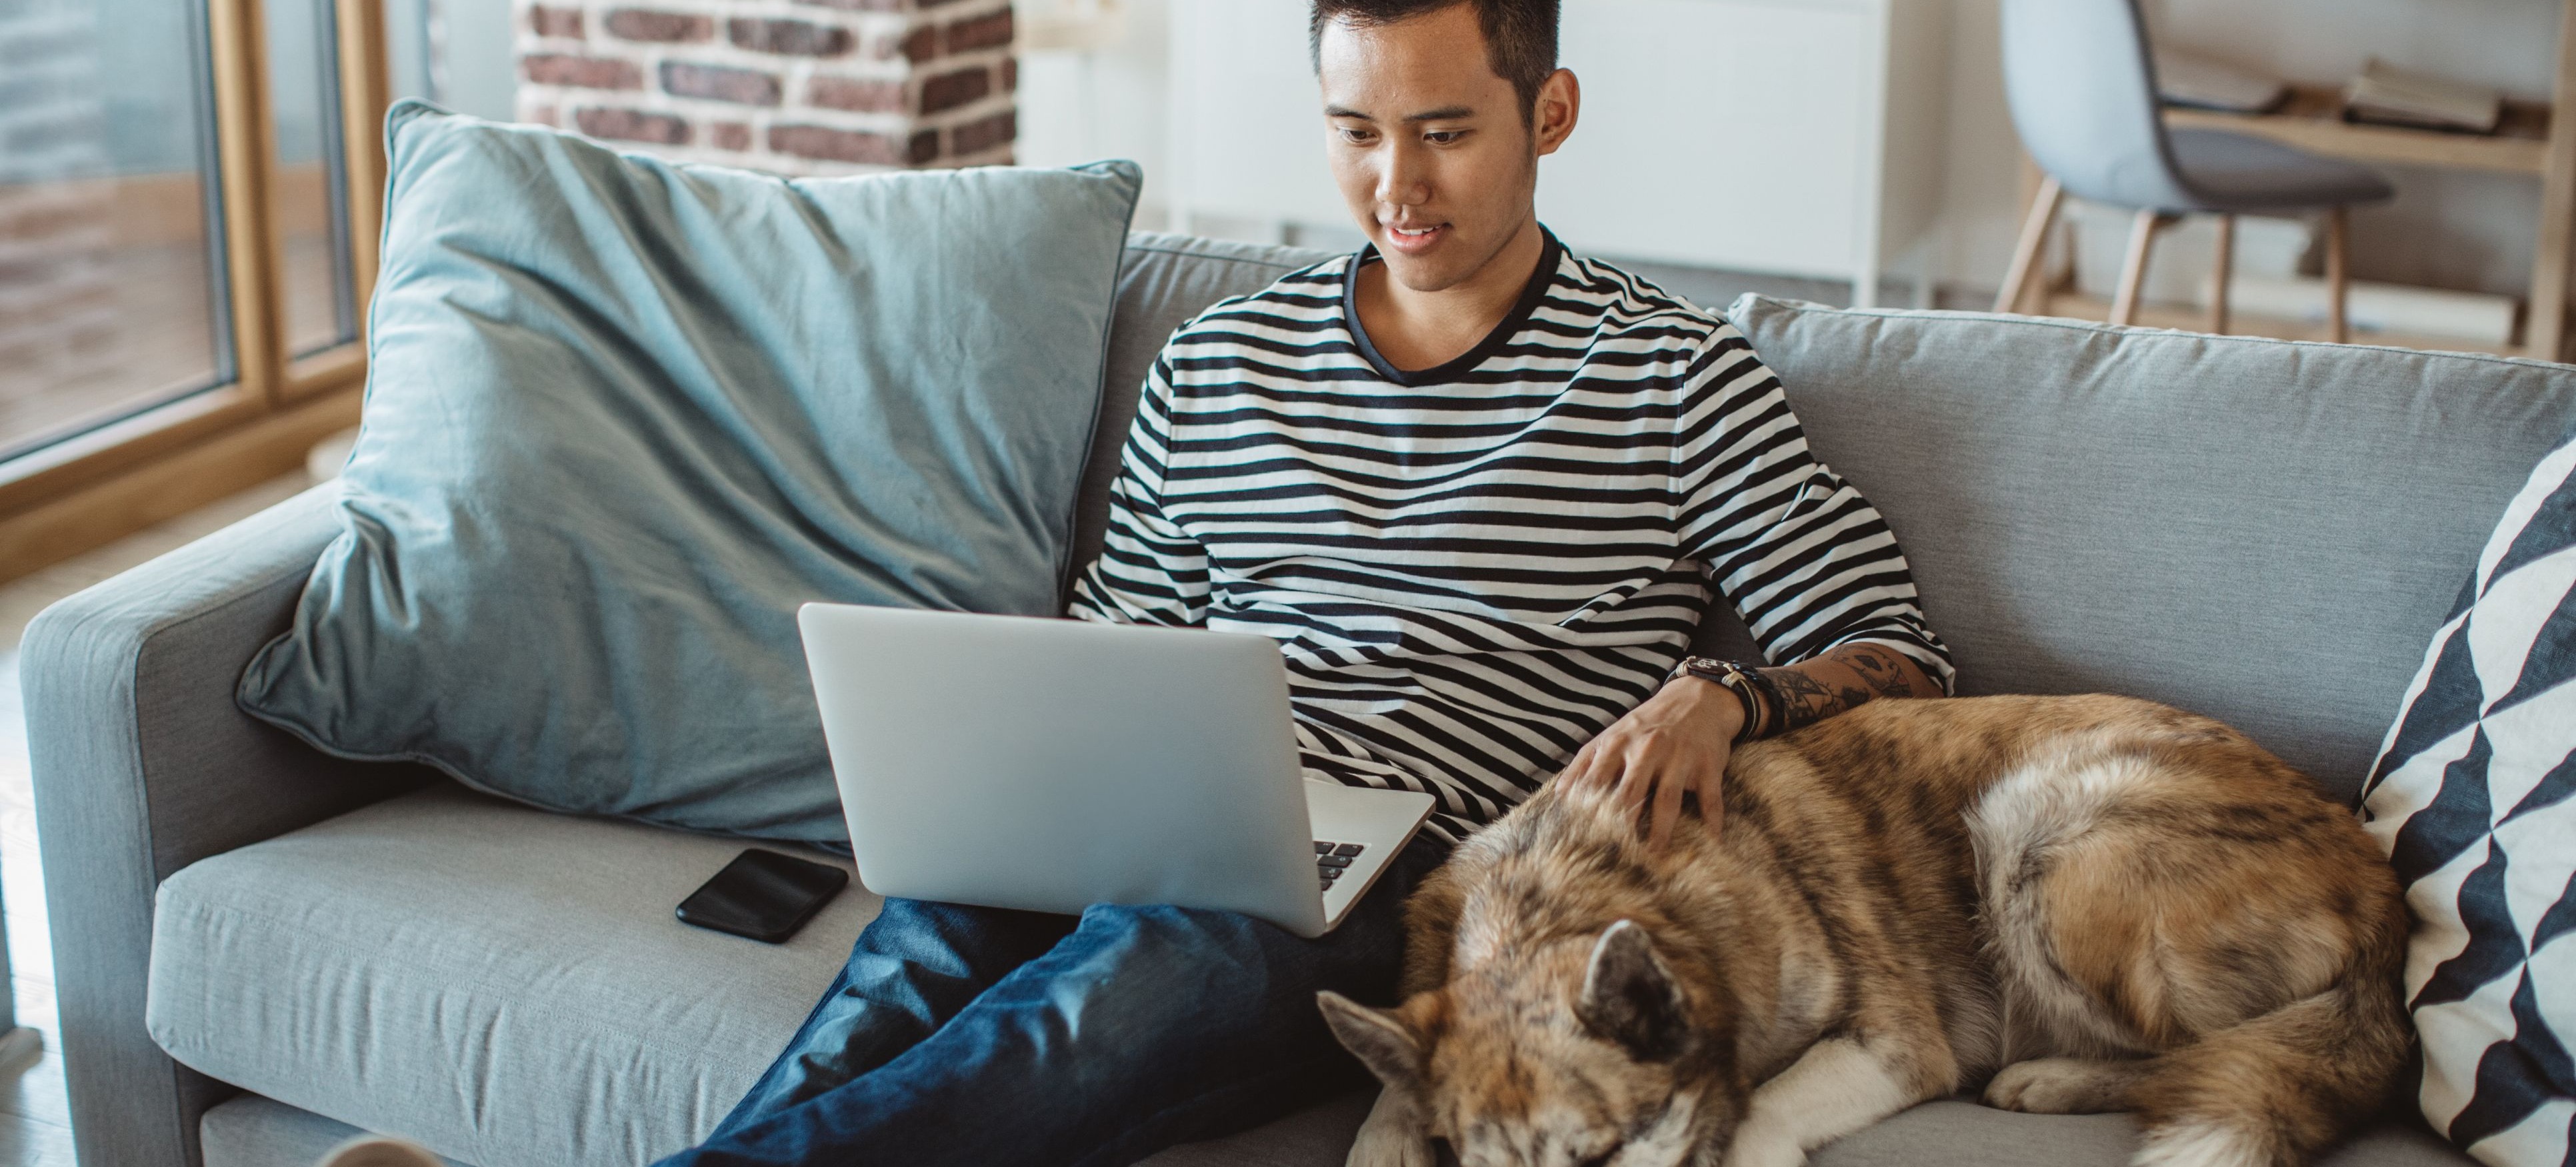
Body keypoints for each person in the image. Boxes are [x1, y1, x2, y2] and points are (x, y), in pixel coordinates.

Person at [327, 3, 1953, 1166]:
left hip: (1420, 882)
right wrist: (1033, 770)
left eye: (1446, 132)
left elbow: (1900, 651)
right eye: (1356, 132)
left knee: (1115, 995)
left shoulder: (1672, 376)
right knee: (919, 953)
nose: (1397, 186)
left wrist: (1723, 694)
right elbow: (1115, 649)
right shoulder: (1220, 360)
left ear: (1551, 113)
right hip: (1169, 803)